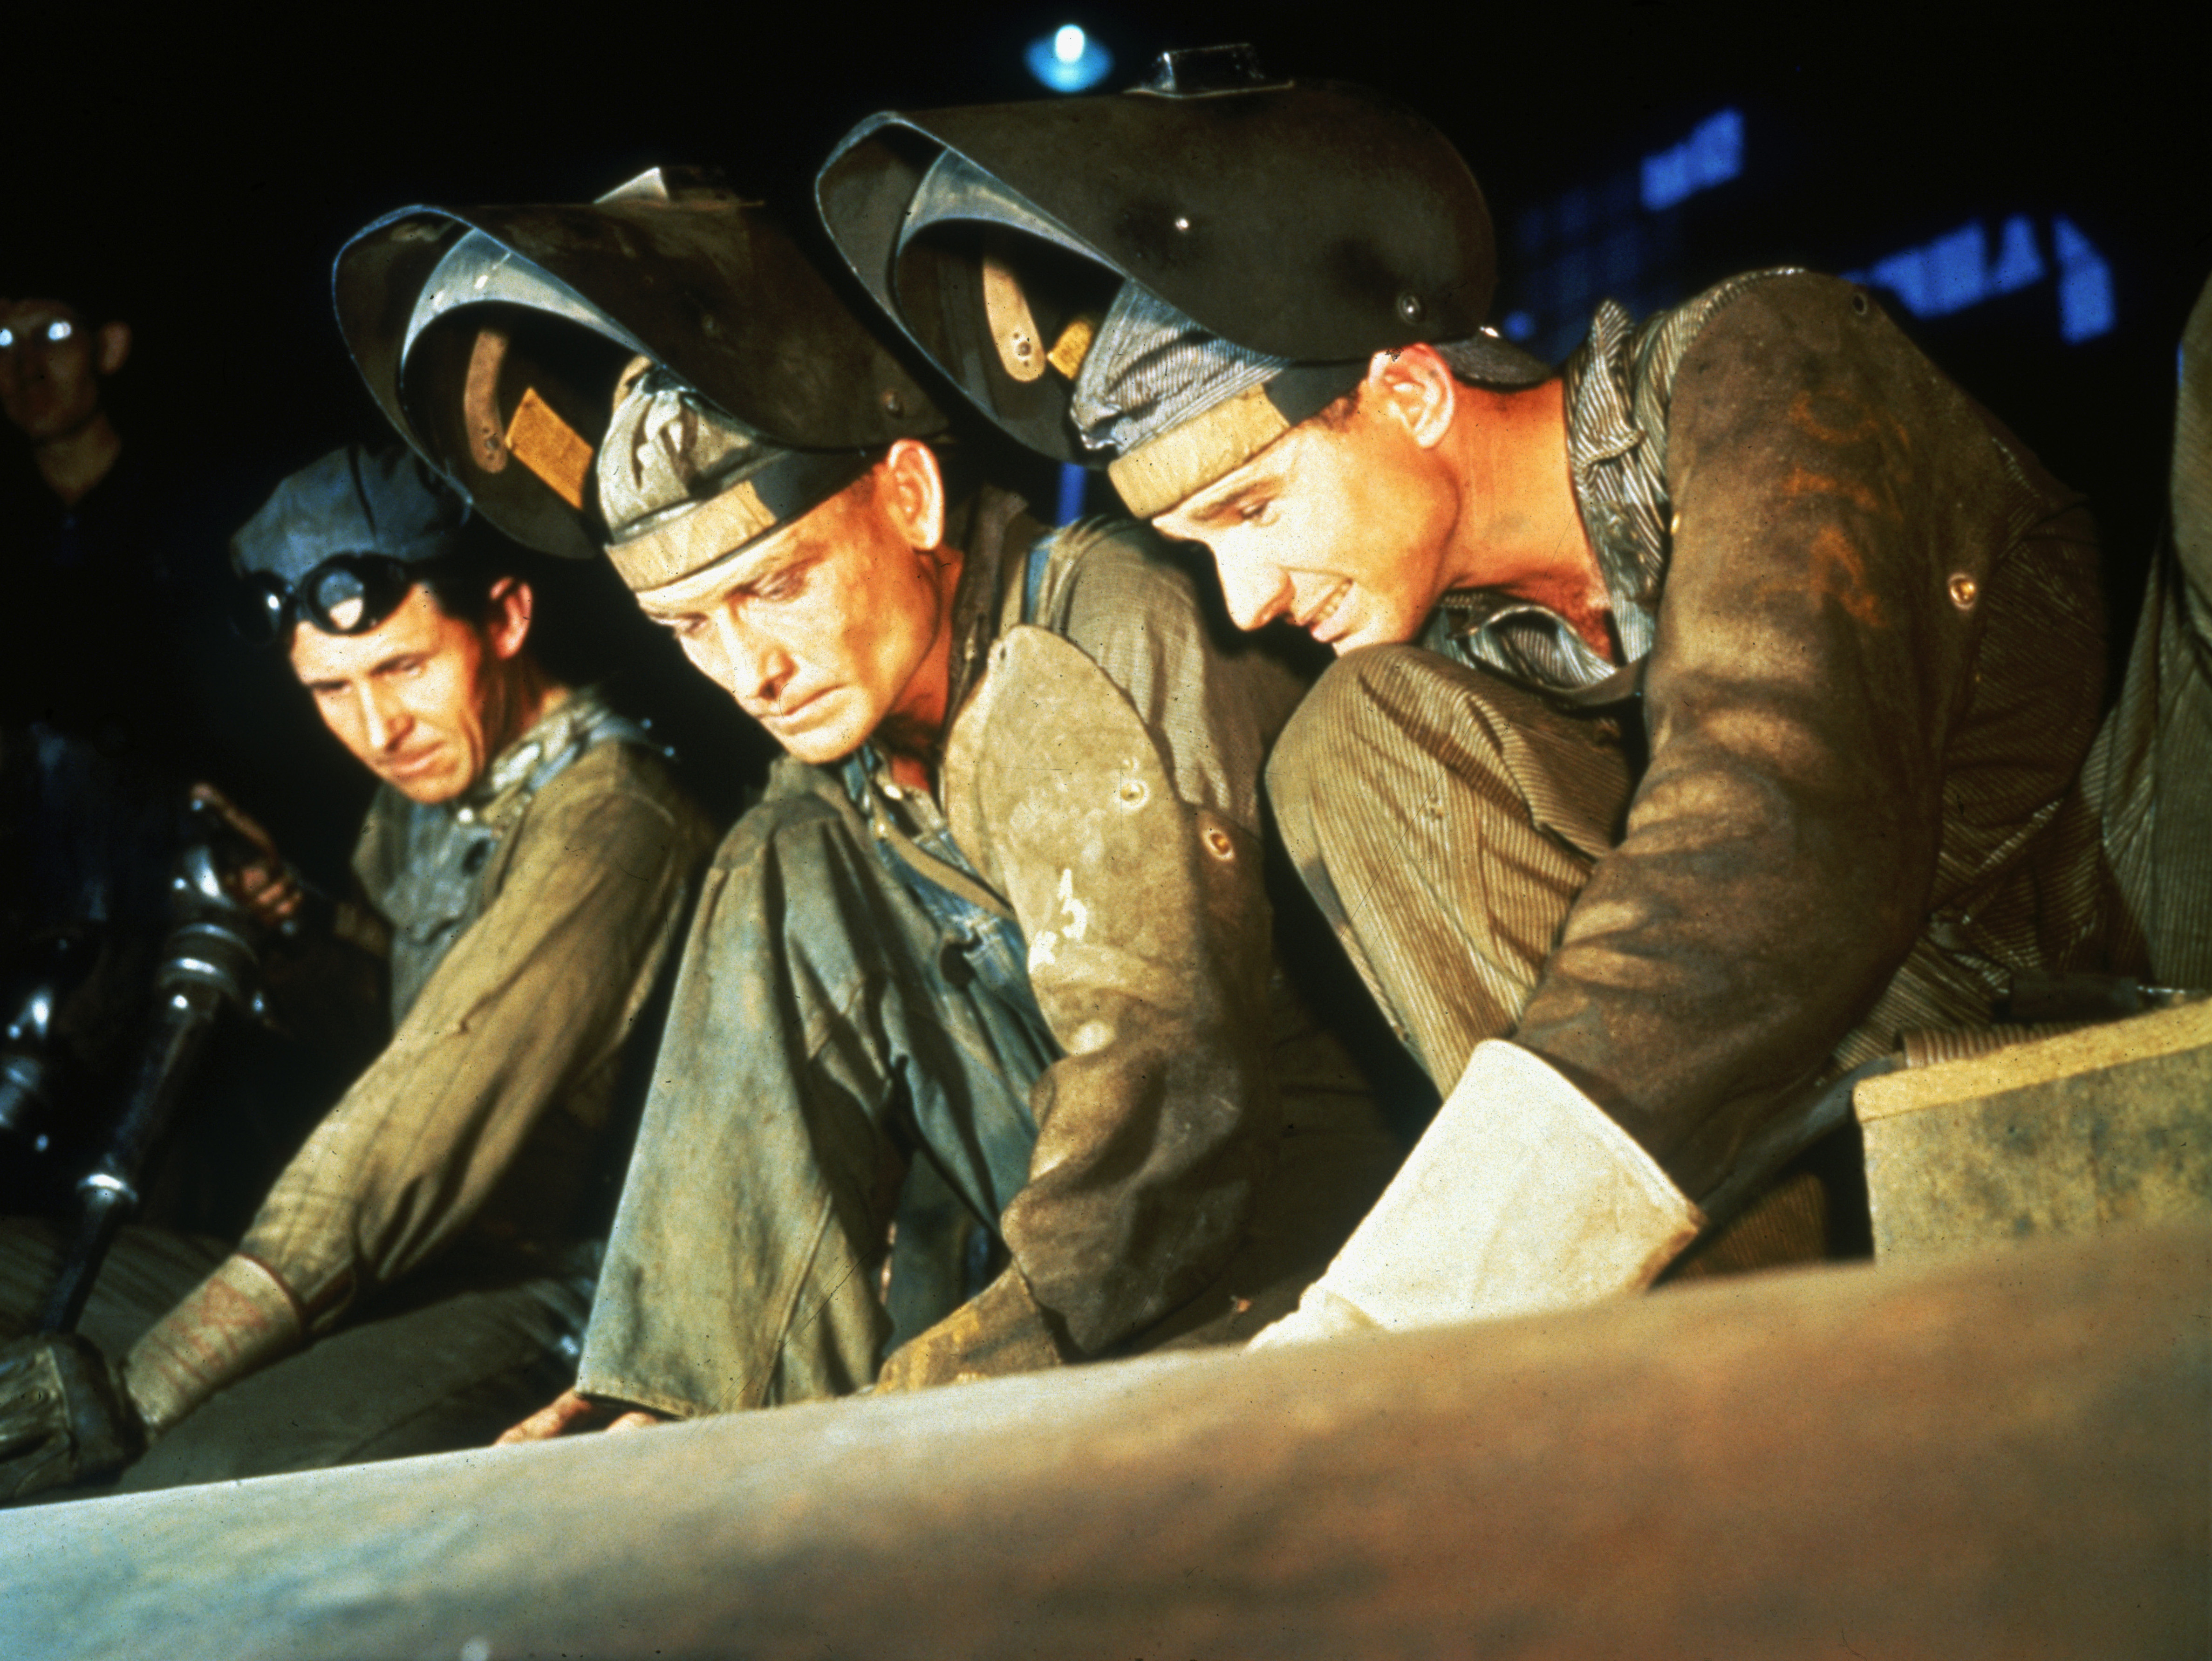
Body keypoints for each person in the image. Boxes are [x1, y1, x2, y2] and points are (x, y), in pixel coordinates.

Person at [814, 55, 2175, 1338]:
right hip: (1891, 1055)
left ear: (1407, 391)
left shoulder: (1764, 360)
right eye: (1197, 546)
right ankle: (1711, 1357)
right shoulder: (1430, 686)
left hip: (2146, 881)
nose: (1242, 599)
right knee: (1346, 748)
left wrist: (1389, 1311)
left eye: (1252, 505)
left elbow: (1773, 826)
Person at [329, 172, 1397, 1428]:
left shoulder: (1088, 627)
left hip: (1304, 1243)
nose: (749, 668)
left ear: (909, 496)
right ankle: (680, 1400)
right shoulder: (834, 778)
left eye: (777, 584)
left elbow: (1171, 1107)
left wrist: (917, 1392)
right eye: (689, 626)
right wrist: (672, 1400)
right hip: (1089, 1264)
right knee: (780, 846)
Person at [0, 444, 712, 1497]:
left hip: (569, 1279)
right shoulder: (437, 786)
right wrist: (296, 933)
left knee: (205, 1477)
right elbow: (391, 1020)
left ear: (506, 618)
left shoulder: (612, 816)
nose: (378, 729)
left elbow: (410, 1130)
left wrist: (147, 1384)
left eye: (405, 668)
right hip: (417, 1251)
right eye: (330, 688)